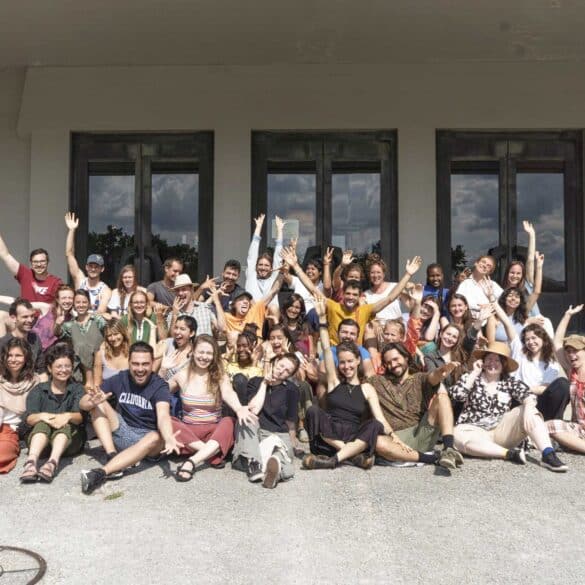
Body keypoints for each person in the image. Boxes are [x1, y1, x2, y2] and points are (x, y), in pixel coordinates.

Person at [79, 341, 183, 494]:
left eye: (145, 364)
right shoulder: (121, 378)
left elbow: (163, 415)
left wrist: (168, 438)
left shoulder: (159, 386)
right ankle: (112, 455)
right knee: (99, 403)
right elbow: (83, 403)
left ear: (152, 363)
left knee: (155, 436)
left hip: (147, 443)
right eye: (135, 364)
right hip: (124, 430)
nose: (140, 369)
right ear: (129, 363)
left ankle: (101, 473)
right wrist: (90, 402)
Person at [449, 341, 568, 472]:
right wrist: (474, 373)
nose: (492, 363)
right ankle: (509, 454)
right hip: (474, 430)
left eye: (497, 360)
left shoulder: (509, 382)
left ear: (503, 365)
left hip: (501, 431)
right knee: (457, 435)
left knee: (529, 409)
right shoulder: (472, 378)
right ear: (483, 361)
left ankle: (548, 454)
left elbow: (528, 395)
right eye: (489, 359)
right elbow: (457, 395)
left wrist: (528, 409)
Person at [302, 298, 389, 470]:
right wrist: (322, 320)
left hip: (354, 437)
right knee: (313, 410)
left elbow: (380, 419)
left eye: (350, 362)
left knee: (374, 424)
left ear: (358, 361)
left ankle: (335, 459)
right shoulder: (334, 381)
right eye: (342, 362)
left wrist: (396, 439)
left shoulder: (366, 388)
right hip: (329, 439)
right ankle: (351, 456)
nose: (346, 366)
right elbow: (326, 349)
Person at [282, 246, 422, 345]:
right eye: (348, 293)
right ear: (343, 294)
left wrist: (408, 274)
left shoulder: (365, 310)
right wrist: (295, 266)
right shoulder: (333, 307)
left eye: (354, 295)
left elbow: (390, 298)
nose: (350, 297)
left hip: (356, 355)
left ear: (359, 296)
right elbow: (313, 289)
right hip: (335, 353)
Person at [170, 335, 257, 481]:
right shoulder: (181, 375)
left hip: (213, 434)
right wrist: (162, 370)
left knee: (229, 421)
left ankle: (191, 462)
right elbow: (159, 393)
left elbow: (228, 392)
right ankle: (209, 453)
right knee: (167, 420)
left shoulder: (219, 375)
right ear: (193, 351)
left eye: (209, 353)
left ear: (214, 355)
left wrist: (239, 408)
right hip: (188, 436)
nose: (204, 357)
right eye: (201, 352)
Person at [369, 342, 464, 469]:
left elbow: (433, 377)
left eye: (396, 359)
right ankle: (434, 459)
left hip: (421, 433)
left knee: (442, 397)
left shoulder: (419, 378)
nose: (393, 364)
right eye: (388, 362)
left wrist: (442, 371)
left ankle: (449, 449)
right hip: (396, 440)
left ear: (406, 357)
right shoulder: (377, 381)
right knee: (378, 442)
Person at [232, 351, 301, 489]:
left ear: (289, 376)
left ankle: (271, 470)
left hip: (278, 433)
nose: (282, 371)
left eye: (287, 371)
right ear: (275, 362)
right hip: (255, 433)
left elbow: (290, 421)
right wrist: (264, 383)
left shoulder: (292, 390)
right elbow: (253, 410)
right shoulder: (255, 382)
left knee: (283, 458)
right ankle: (256, 463)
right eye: (281, 365)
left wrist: (292, 443)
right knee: (247, 417)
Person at [493, 300, 568, 421]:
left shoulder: (551, 363)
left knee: (563, 384)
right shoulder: (519, 350)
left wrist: (525, 389)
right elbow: (507, 323)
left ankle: (553, 422)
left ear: (543, 339)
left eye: (534, 338)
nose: (531, 342)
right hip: (518, 400)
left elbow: (545, 388)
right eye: (527, 339)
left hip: (538, 400)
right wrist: (492, 300)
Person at [20, 343, 85, 483]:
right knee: (41, 424)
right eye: (59, 366)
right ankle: (31, 462)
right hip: (41, 444)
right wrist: (44, 416)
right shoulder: (39, 390)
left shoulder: (77, 389)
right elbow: (30, 418)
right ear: (50, 368)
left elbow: (79, 417)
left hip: (68, 444)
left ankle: (52, 463)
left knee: (65, 426)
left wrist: (67, 416)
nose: (64, 370)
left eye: (67, 366)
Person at [0, 338, 40, 474]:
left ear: (26, 358)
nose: (13, 359)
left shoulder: (34, 381)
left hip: (13, 430)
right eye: (9, 355)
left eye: (18, 355)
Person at [55, 289, 105, 387]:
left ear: (89, 304)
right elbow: (57, 333)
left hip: (99, 368)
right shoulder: (70, 325)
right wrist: (57, 324)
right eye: (78, 302)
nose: (81, 305)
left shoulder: (98, 320)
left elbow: (110, 333)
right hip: (80, 372)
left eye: (84, 302)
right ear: (74, 305)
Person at [65, 212, 112, 313]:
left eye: (96, 266)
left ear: (102, 269)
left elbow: (100, 312)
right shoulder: (80, 280)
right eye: (91, 266)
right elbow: (69, 254)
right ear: (86, 267)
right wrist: (72, 230)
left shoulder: (105, 290)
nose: (93, 269)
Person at [0, 230, 62, 303]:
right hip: (25, 310)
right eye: (35, 262)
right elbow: (5, 255)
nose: (39, 264)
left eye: (42, 261)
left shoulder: (56, 282)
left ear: (47, 262)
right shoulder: (25, 274)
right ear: (31, 263)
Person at [245, 213, 284, 306]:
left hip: (271, 313)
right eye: (260, 265)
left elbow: (278, 258)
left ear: (271, 268)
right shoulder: (251, 277)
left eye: (266, 265)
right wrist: (258, 227)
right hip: (253, 313)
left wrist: (279, 230)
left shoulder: (273, 279)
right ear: (256, 266)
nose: (263, 268)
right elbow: (252, 255)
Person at [0, 298, 45, 375]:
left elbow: (41, 369)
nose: (30, 320)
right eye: (25, 317)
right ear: (14, 318)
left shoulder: (35, 339)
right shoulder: (3, 343)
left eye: (32, 316)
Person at [154, 315, 197, 383]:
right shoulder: (168, 343)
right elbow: (151, 365)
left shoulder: (195, 354)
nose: (177, 332)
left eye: (182, 329)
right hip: (160, 386)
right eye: (176, 327)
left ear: (191, 333)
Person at [32, 284, 75, 351]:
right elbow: (24, 305)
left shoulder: (72, 319)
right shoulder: (46, 308)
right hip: (33, 349)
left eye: (70, 298)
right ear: (57, 299)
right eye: (64, 298)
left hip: (50, 354)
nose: (67, 301)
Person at [363, 253, 403, 322]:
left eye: (378, 272)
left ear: (384, 274)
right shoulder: (366, 295)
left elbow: (411, 304)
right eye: (372, 272)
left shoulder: (395, 287)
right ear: (369, 275)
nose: (375, 275)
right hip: (376, 328)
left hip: (396, 327)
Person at [93, 320, 131, 388]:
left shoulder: (132, 353)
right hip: (107, 393)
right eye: (109, 335)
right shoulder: (100, 355)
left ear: (123, 334)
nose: (113, 338)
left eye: (116, 334)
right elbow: (97, 384)